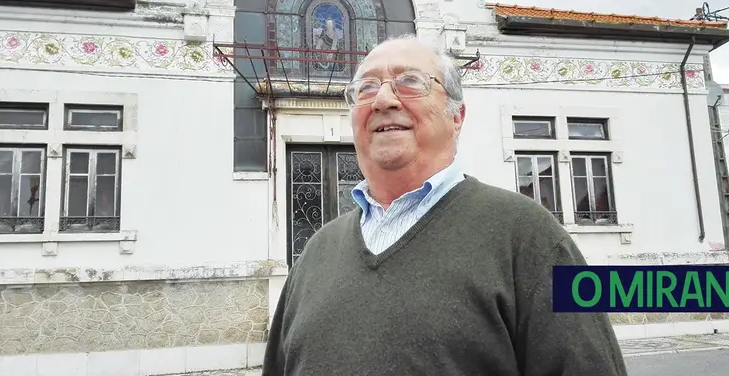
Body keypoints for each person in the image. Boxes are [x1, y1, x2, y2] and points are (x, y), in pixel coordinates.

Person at [262, 34, 628, 375]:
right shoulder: (316, 252)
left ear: (457, 117)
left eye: (409, 82)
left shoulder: (529, 237)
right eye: (366, 87)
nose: (383, 100)